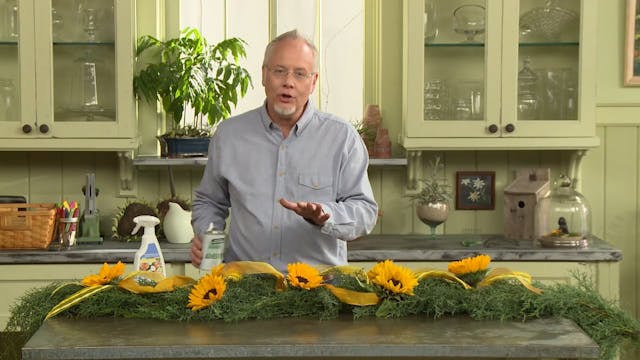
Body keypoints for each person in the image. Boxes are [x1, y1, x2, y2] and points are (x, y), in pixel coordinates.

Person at [190, 29, 378, 272]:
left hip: (320, 289)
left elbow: (365, 211)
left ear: (313, 82)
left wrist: (326, 215)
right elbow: (209, 201)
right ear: (264, 75)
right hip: (244, 289)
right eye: (279, 71)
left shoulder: (342, 138)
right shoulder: (229, 135)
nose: (288, 82)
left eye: (300, 74)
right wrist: (207, 236)